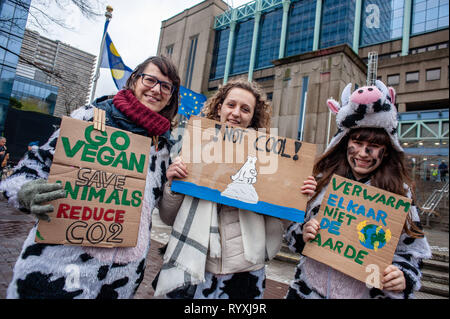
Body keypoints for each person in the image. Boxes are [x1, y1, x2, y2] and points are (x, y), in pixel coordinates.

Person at [0, 56, 180, 299]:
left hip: (119, 282)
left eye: (166, 86)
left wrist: (173, 186)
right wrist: (25, 191)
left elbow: (160, 211)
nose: (156, 89)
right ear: (135, 80)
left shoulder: (163, 147)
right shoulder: (90, 118)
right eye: (151, 79)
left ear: (171, 96)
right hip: (54, 273)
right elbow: (32, 168)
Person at [153, 78, 316, 299]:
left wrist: (297, 193)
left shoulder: (269, 161)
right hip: (195, 269)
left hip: (245, 275)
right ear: (219, 108)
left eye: (245, 109)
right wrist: (173, 186)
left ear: (252, 117)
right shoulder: (192, 151)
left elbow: (282, 219)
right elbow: (167, 217)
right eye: (231, 105)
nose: (236, 113)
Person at [284, 80, 432, 299]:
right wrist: (303, 233)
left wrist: (402, 276)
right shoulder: (321, 182)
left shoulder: (399, 194)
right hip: (306, 293)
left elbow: (411, 254)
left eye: (373, 146)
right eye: (358, 142)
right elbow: (292, 236)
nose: (363, 153)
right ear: (346, 142)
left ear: (386, 150)